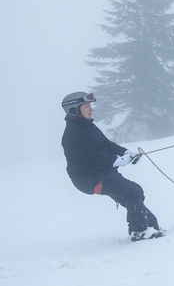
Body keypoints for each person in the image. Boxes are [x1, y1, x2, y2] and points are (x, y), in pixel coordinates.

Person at [60, 91, 164, 241]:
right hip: (89, 178)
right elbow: (92, 157)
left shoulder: (87, 126)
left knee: (129, 196)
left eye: (90, 105)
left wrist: (126, 152)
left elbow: (107, 145)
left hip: (102, 172)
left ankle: (151, 227)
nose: (91, 108)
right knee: (133, 191)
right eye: (86, 106)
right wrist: (117, 160)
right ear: (74, 109)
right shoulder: (73, 133)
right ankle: (139, 232)